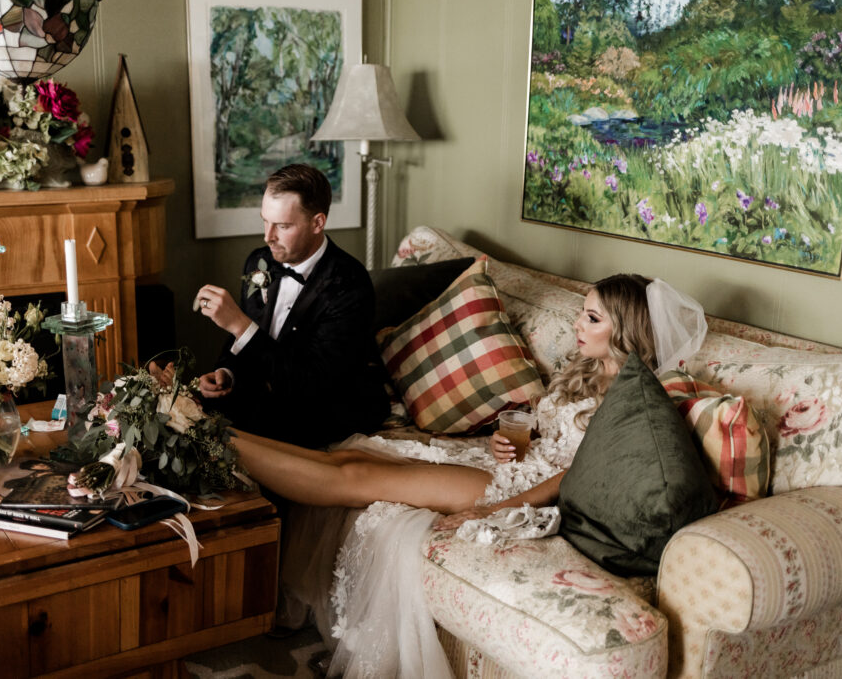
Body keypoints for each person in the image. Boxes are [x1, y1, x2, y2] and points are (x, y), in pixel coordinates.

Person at [230, 273, 707, 678]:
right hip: (510, 464)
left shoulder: (629, 401)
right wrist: (506, 443)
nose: (577, 324)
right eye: (582, 313)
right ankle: (224, 435)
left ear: (625, 330)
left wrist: (498, 507)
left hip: (522, 490)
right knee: (352, 458)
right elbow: (547, 437)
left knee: (356, 478)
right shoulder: (585, 370)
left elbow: (571, 476)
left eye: (592, 318)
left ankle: (220, 444)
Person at [192, 163, 389, 448]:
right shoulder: (258, 261)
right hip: (267, 394)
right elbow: (245, 341)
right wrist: (228, 373)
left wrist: (238, 323)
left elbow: (312, 383)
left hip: (324, 407)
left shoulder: (350, 283)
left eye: (282, 226)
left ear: (317, 222)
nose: (267, 236)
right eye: (265, 221)